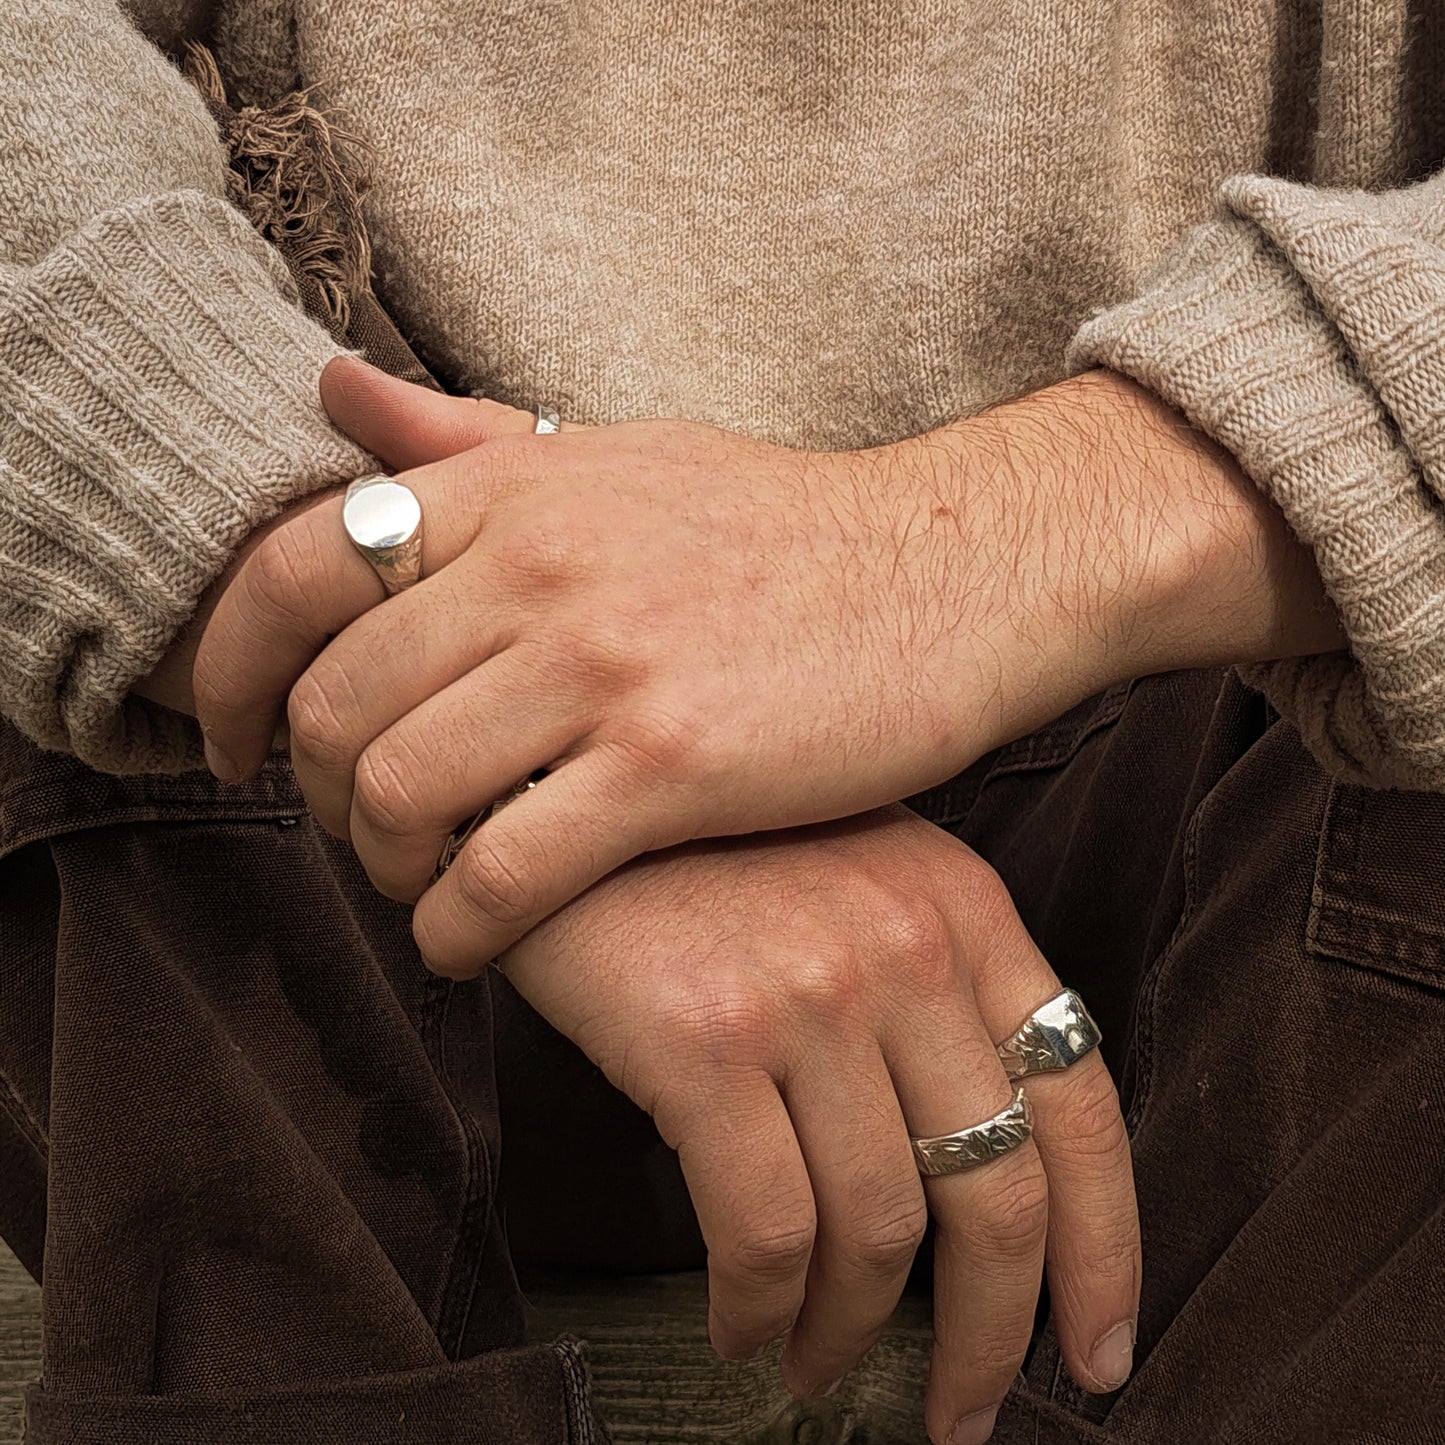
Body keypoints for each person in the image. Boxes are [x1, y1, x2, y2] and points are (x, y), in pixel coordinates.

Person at [1, 3, 1442, 1444]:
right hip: (331, 727)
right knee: (76, 538)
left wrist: (923, 561)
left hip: (1221, 740)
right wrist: (484, 696)